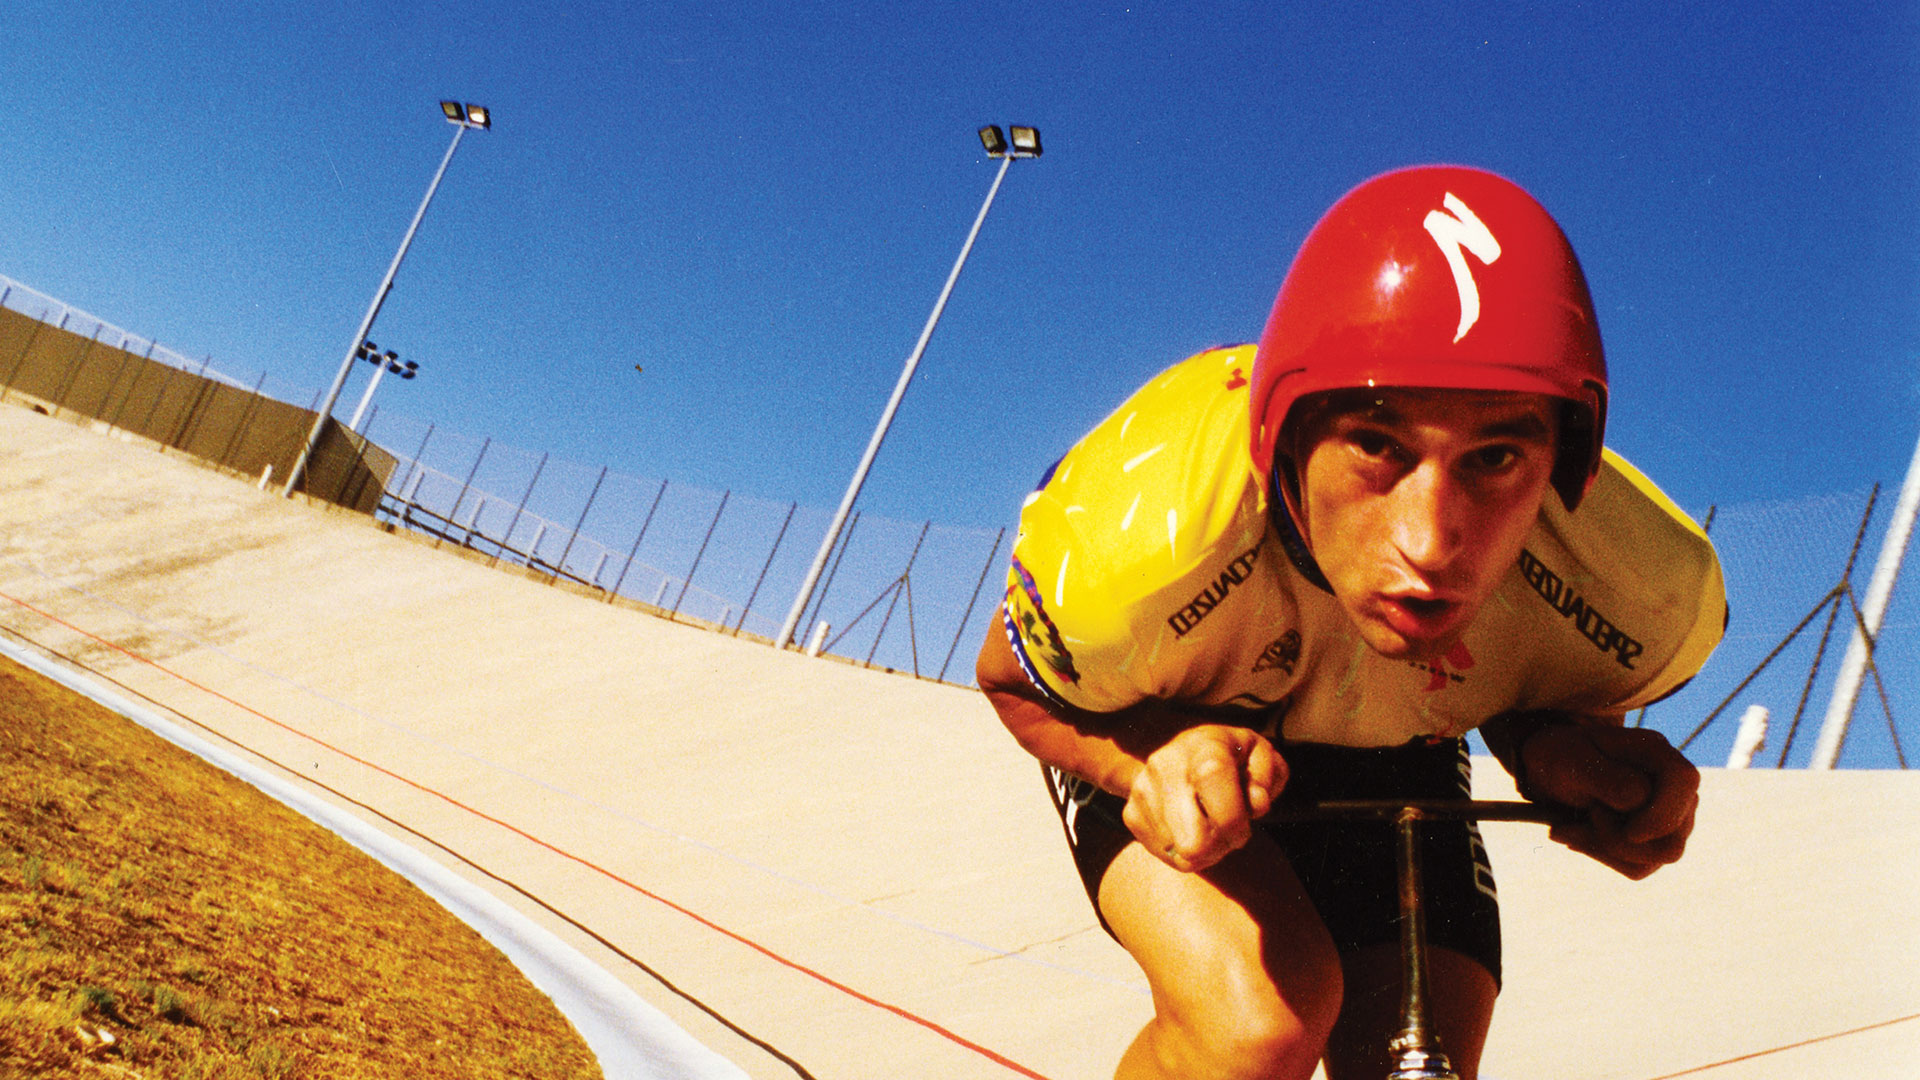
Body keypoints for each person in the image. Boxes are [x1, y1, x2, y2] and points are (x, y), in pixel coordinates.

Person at [975, 165, 1726, 1080]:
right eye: (1377, 444)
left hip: (1396, 739)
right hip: (1166, 707)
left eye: (1495, 458)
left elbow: (1530, 674)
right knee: (1257, 1024)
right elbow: (1016, 681)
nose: (1432, 543)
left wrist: (1553, 747)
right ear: (1283, 435)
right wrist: (1144, 757)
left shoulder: (1649, 587)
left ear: (1563, 469)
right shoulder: (1145, 541)